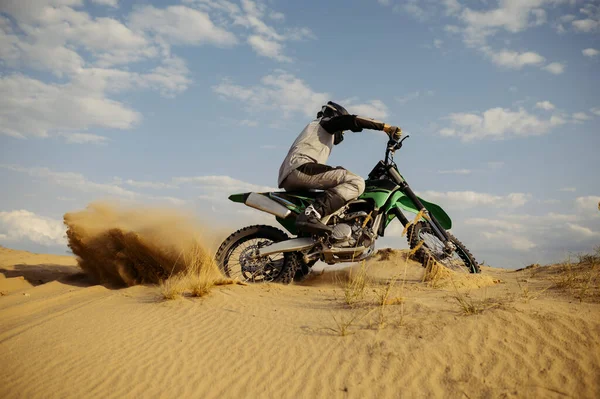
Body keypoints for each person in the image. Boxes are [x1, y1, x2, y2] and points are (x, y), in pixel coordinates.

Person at [278, 101, 402, 234]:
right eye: (342, 130)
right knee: (356, 182)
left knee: (339, 183)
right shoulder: (323, 122)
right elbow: (350, 120)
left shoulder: (319, 133)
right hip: (300, 168)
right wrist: (386, 127)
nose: (342, 133)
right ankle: (311, 214)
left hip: (294, 173)